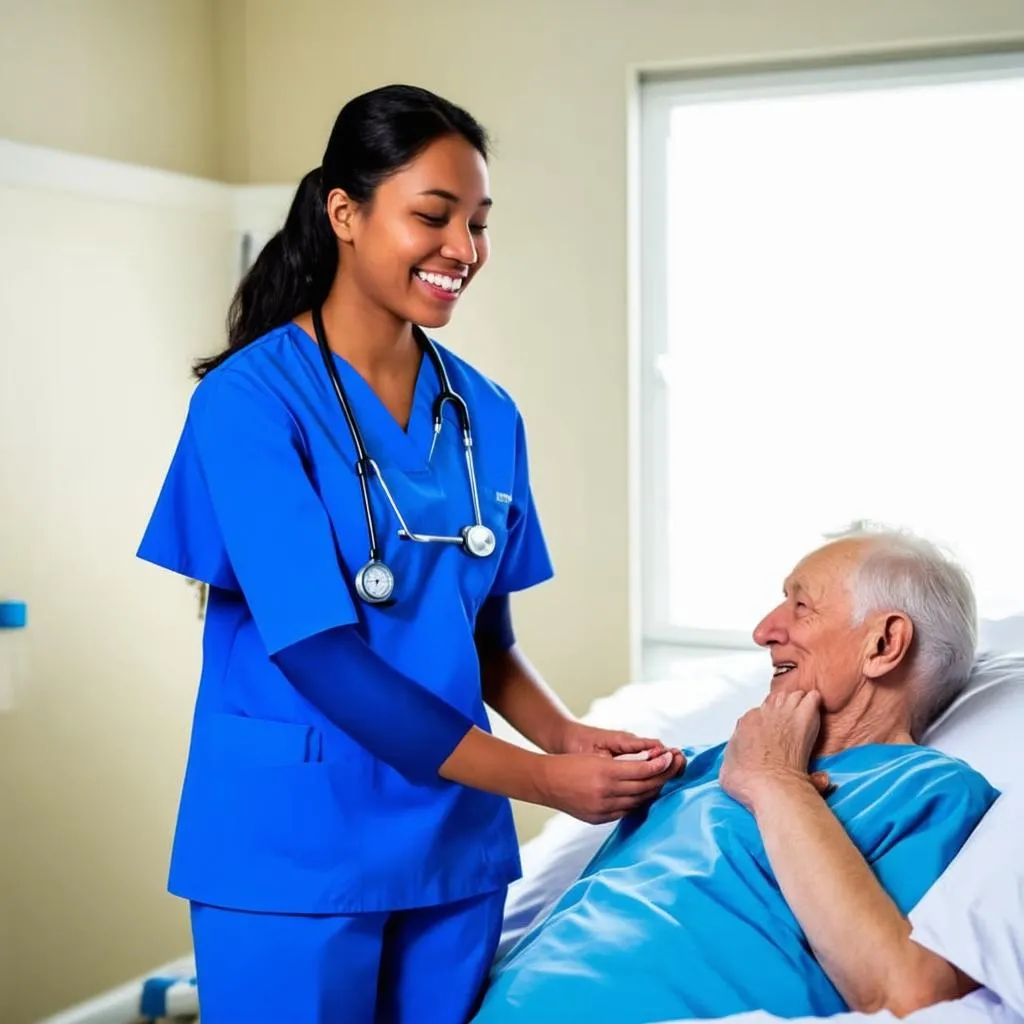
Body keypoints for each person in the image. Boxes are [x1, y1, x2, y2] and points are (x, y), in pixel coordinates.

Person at [136, 84, 683, 1024]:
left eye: (478, 223)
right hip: (292, 845)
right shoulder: (250, 402)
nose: (463, 251)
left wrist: (565, 736)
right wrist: (541, 780)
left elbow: (486, 638)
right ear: (343, 214)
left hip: (449, 843)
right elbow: (315, 649)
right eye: (433, 217)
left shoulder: (486, 413)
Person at [474, 528, 999, 1023]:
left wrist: (775, 781)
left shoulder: (932, 792)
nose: (765, 631)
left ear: (884, 644)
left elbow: (905, 995)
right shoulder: (703, 764)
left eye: (801, 606)